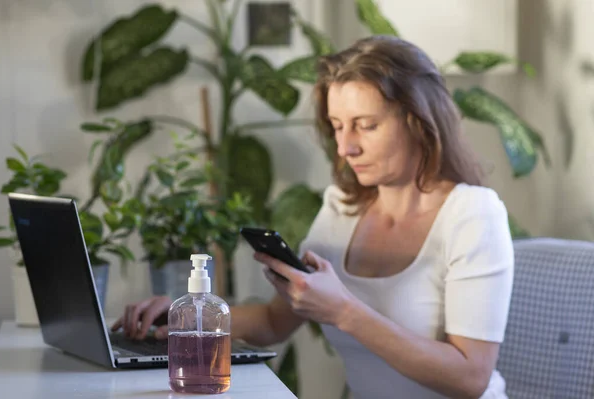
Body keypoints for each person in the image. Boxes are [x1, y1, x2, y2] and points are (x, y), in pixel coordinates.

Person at [112, 35, 514, 399]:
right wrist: (189, 314)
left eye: (366, 126)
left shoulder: (472, 214)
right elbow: (273, 321)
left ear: (418, 121)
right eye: (337, 127)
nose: (345, 148)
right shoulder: (342, 208)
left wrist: (344, 311)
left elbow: (470, 378)